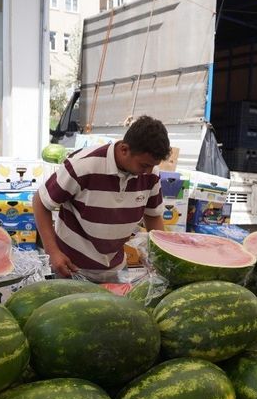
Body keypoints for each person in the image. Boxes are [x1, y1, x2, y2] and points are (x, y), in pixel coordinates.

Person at [34, 115, 171, 282]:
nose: (149, 172)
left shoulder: (150, 175)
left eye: (153, 166)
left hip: (115, 269)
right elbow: (41, 201)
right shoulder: (82, 165)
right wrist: (52, 252)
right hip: (71, 268)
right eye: (144, 165)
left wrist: (162, 258)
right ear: (124, 150)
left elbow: (153, 216)